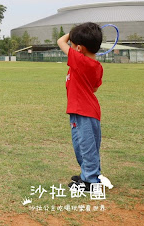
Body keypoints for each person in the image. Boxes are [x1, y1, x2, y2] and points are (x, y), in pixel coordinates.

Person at [57, 22, 104, 191]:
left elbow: (60, 41)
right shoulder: (97, 66)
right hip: (88, 110)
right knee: (86, 146)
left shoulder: (80, 60)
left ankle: (91, 182)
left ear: (79, 49)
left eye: (73, 45)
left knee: (85, 146)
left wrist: (71, 34)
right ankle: (88, 175)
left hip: (83, 111)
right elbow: (94, 88)